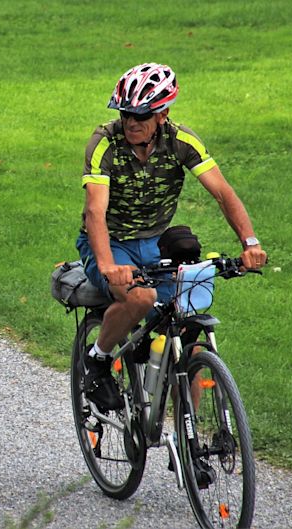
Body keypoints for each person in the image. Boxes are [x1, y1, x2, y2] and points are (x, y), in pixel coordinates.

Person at [76, 63, 267, 411]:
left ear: (162, 113)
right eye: (126, 113)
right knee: (140, 298)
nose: (132, 122)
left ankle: (188, 447)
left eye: (142, 115)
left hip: (154, 241)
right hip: (109, 241)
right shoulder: (104, 142)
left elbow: (222, 192)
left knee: (187, 341)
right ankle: (98, 360)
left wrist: (250, 243)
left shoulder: (181, 141)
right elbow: (95, 213)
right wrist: (107, 265)